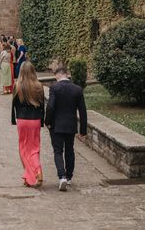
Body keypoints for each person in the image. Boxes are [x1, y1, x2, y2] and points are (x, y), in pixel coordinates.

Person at [45, 63, 88, 191]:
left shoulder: (54, 88)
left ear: (58, 74)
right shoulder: (77, 89)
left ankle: (62, 176)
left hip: (56, 125)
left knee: (58, 151)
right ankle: (69, 177)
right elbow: (83, 111)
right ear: (67, 74)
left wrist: (47, 121)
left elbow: (51, 106)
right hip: (70, 125)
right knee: (70, 150)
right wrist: (83, 131)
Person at [11, 61, 45, 188]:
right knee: (34, 148)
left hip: (22, 120)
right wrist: (42, 120)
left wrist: (14, 120)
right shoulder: (38, 85)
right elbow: (42, 106)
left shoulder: (18, 85)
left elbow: (14, 105)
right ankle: (34, 173)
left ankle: (32, 173)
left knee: (23, 148)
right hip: (35, 119)